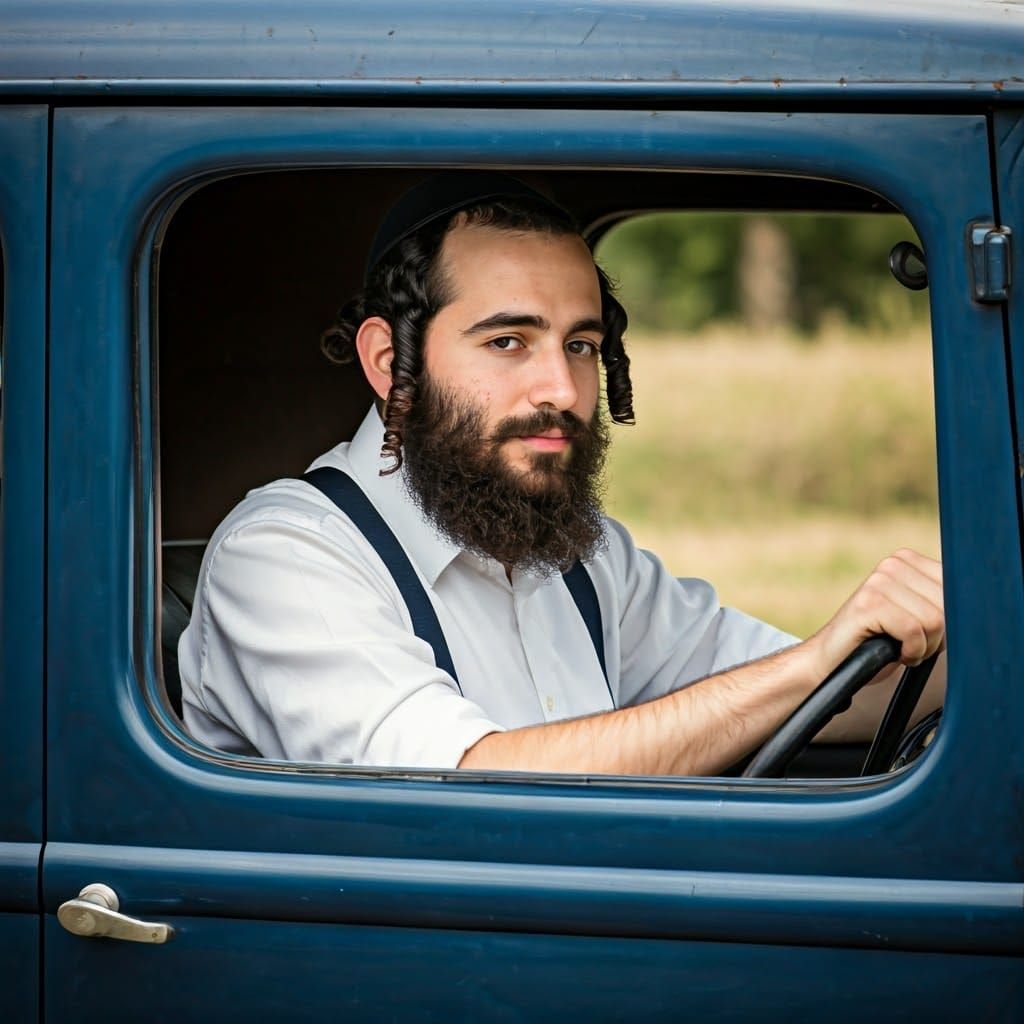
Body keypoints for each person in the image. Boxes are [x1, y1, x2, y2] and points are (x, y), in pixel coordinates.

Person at [177, 172, 945, 775]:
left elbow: (811, 698)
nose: (562, 390)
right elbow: (461, 793)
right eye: (509, 341)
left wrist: (952, 652)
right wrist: (813, 664)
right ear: (389, 362)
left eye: (580, 345)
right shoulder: (284, 555)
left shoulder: (585, 558)